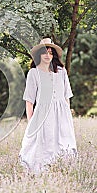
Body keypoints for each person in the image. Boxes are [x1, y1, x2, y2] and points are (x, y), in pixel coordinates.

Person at [19, 38, 77, 174]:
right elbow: (29, 101)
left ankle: (62, 169)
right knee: (43, 142)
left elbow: (66, 96)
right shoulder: (33, 73)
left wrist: (67, 115)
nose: (48, 55)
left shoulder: (61, 72)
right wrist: (31, 122)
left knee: (63, 141)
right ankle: (41, 171)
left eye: (51, 53)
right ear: (39, 54)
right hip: (43, 114)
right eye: (45, 52)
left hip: (61, 113)